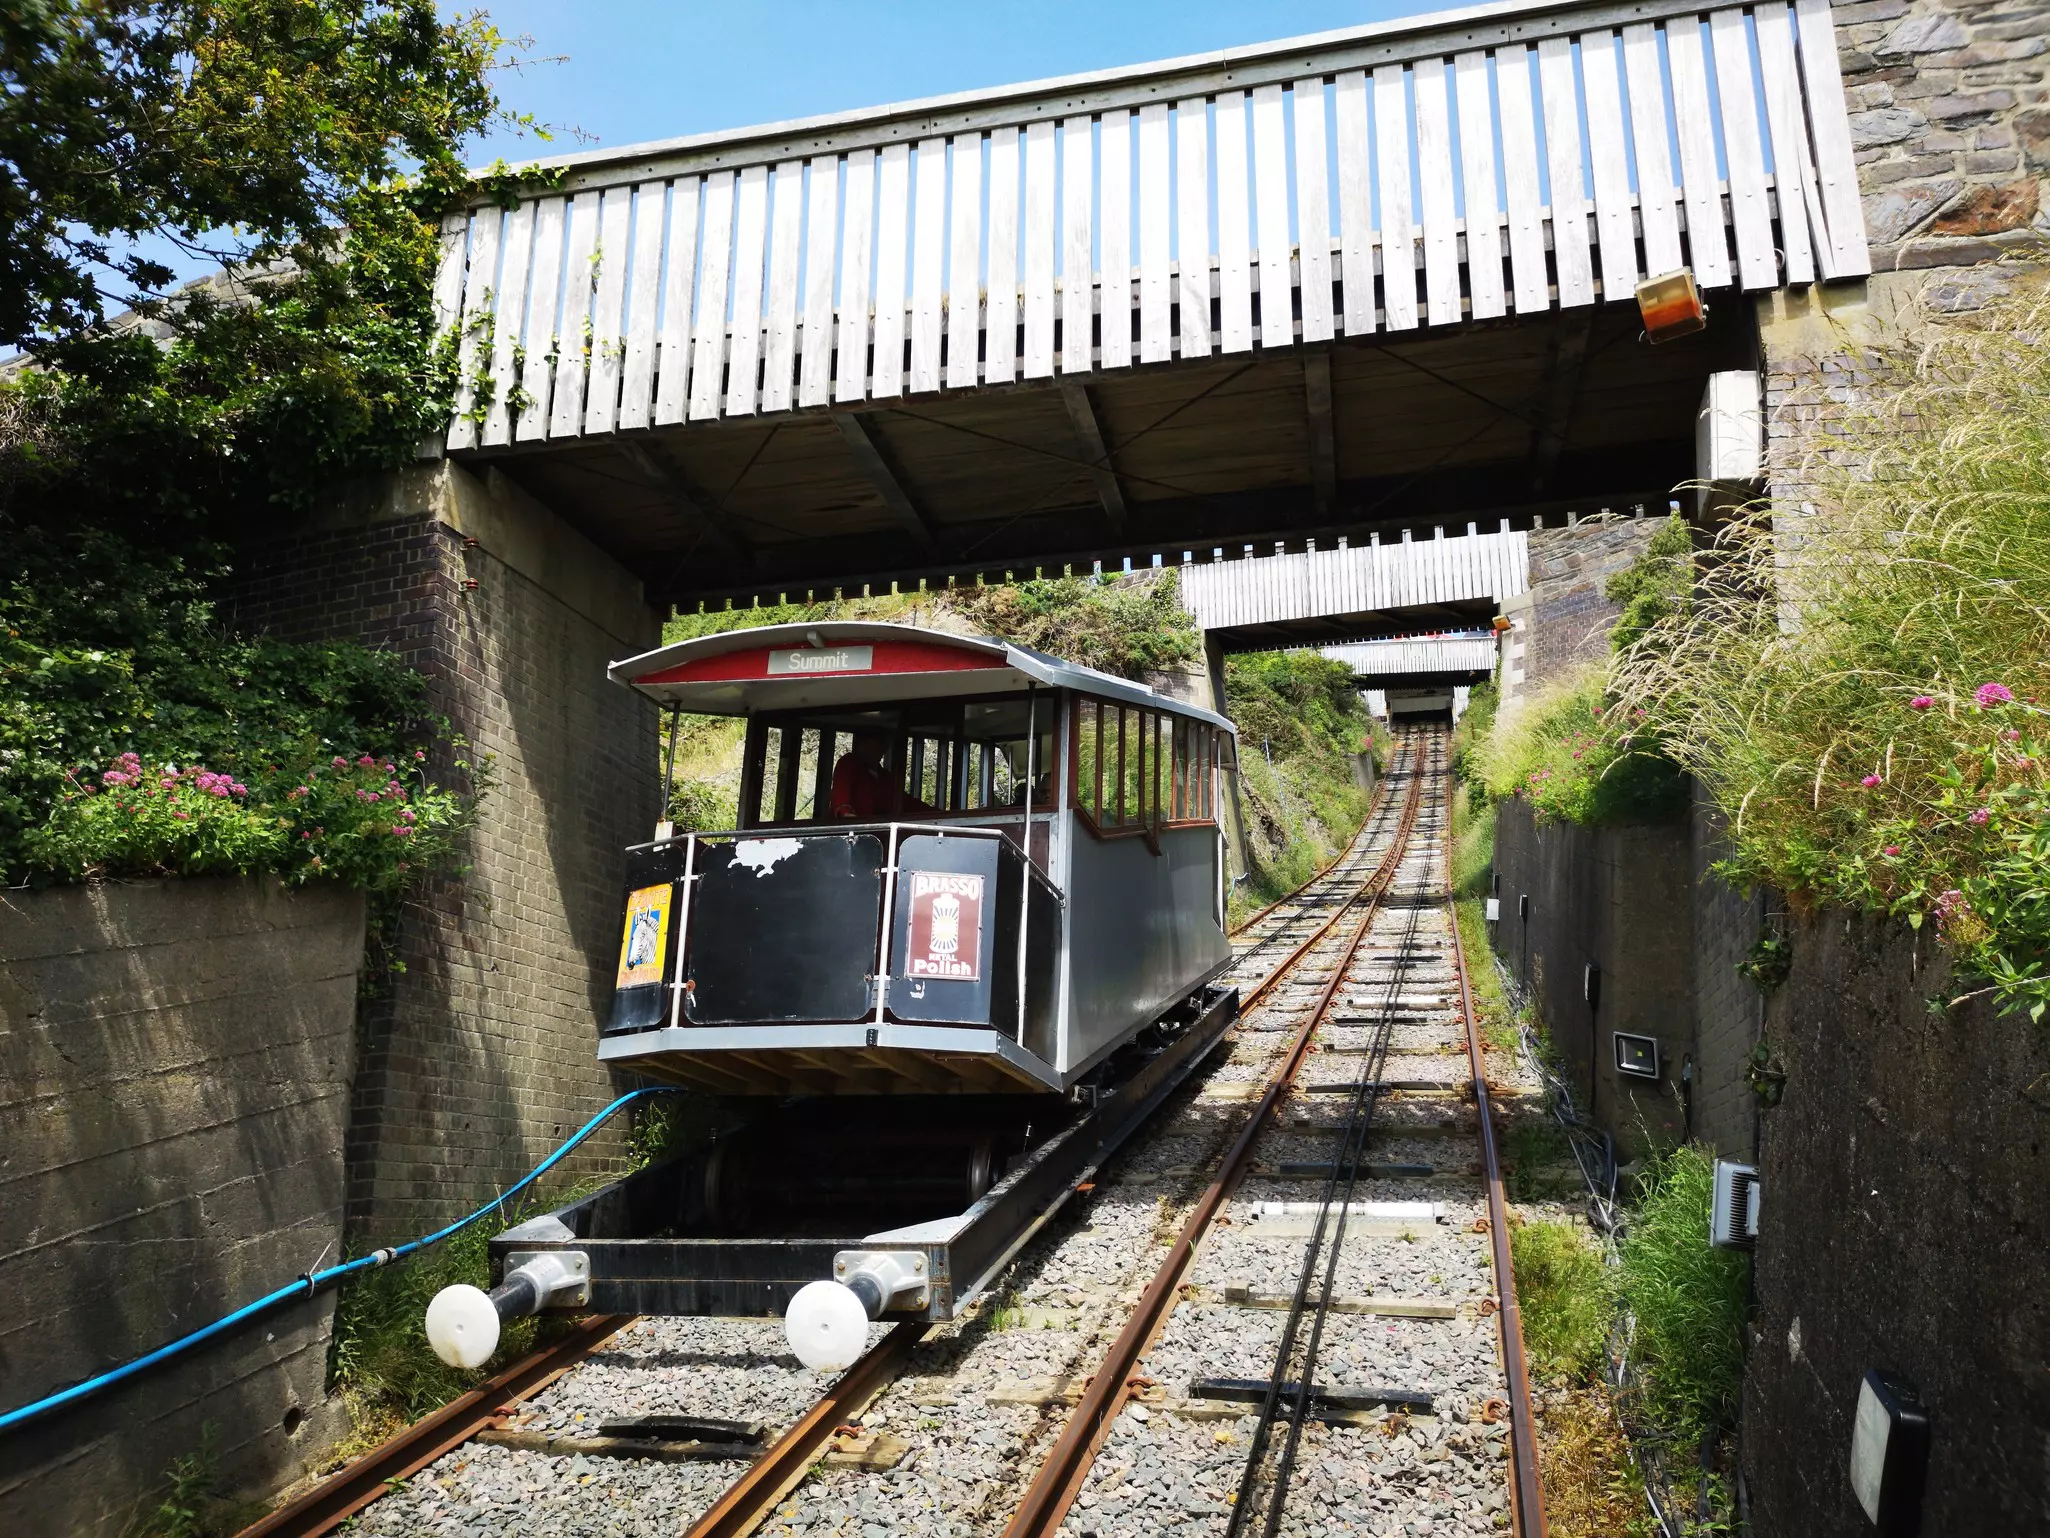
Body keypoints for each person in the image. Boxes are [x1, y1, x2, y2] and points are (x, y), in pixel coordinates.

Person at [829, 729, 932, 820]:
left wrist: (937, 814)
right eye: (877, 743)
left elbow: (905, 802)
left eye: (883, 744)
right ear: (862, 743)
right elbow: (841, 793)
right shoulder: (848, 764)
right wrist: (847, 815)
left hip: (879, 834)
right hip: (853, 835)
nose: (882, 748)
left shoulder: (885, 777)